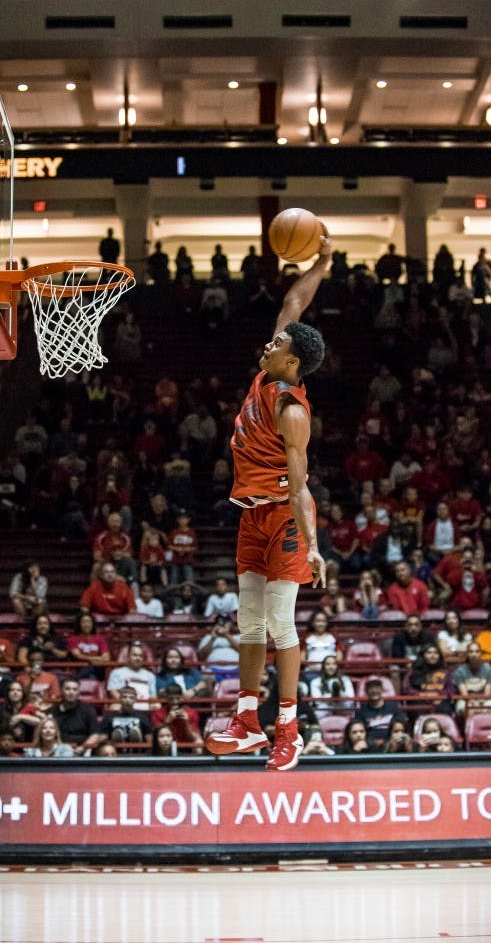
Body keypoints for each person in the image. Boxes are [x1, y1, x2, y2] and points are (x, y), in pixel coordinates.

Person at [199, 236, 331, 766]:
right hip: (251, 515)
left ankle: (289, 730)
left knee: (281, 624)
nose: (268, 345)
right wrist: (322, 262)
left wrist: (315, 548)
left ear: (292, 361)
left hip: (286, 518)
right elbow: (295, 304)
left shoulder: (292, 411)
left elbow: (301, 487)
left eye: (277, 346)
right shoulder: (272, 367)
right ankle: (247, 720)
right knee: (248, 623)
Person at [49, 677, 101, 755]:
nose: (71, 692)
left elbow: (95, 734)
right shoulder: (52, 711)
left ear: (79, 692)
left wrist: (83, 748)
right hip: (58, 749)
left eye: (74, 689)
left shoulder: (88, 710)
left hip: (83, 750)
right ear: (61, 691)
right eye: (67, 689)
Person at [354, 676, 406, 749]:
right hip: (369, 746)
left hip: (392, 744)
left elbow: (402, 726)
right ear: (366, 691)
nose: (374, 690)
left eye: (377, 687)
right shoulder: (360, 712)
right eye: (370, 688)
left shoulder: (394, 708)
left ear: (382, 689)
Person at [403, 645, 456, 716]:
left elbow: (450, 690)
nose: (432, 655)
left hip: (439, 700)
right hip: (419, 701)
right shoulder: (414, 672)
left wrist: (439, 695)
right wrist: (420, 695)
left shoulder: (446, 672)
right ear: (423, 655)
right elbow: (407, 689)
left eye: (436, 653)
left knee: (446, 709)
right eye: (429, 653)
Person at [150, 682, 203, 752]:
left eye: (178, 698)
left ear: (182, 697)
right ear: (166, 698)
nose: (175, 702)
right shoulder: (158, 713)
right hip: (166, 746)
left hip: (187, 745)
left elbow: (194, 738)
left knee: (198, 742)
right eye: (171, 699)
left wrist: (186, 723)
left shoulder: (192, 712)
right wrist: (167, 722)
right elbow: (156, 738)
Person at [106, 642, 157, 709]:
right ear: (128, 657)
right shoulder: (116, 672)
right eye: (135, 655)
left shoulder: (150, 675)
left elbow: (153, 696)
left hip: (144, 704)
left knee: (157, 706)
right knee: (114, 707)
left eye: (140, 656)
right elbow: (113, 691)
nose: (138, 658)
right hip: (124, 704)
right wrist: (128, 702)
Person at [65, 612, 110, 679]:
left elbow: (106, 658)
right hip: (79, 668)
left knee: (94, 666)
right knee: (91, 666)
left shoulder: (100, 639)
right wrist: (97, 658)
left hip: (97, 671)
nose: (87, 624)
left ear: (92, 624)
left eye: (89, 622)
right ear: (79, 624)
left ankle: (75, 679)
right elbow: (78, 656)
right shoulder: (73, 639)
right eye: (84, 622)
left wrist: (89, 659)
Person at [308, 655, 355, 719]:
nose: (331, 667)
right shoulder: (315, 682)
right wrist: (333, 696)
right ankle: (336, 693)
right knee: (318, 711)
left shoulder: (345, 679)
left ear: (337, 666)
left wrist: (337, 696)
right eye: (327, 664)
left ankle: (337, 692)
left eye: (334, 664)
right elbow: (317, 701)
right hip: (325, 710)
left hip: (342, 708)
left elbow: (351, 697)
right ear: (323, 667)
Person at [452, 641, 491, 716]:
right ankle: (469, 727)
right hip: (466, 700)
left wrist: (480, 702)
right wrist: (473, 702)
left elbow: (487, 693)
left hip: (484, 699)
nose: (474, 654)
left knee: (488, 707)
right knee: (467, 709)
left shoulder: (488, 669)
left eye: (477, 651)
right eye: (471, 652)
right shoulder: (460, 671)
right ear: (467, 654)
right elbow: (464, 694)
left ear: (480, 654)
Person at [300, 609, 342, 679]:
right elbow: (302, 658)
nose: (321, 624)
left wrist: (331, 667)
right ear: (313, 623)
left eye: (323, 621)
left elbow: (339, 657)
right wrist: (311, 666)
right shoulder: (307, 638)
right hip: (312, 672)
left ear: (327, 623)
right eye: (318, 621)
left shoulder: (333, 637)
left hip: (330, 672)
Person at [197, 614, 240, 680]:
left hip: (236, 669)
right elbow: (201, 656)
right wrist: (212, 639)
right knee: (207, 676)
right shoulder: (208, 638)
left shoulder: (237, 637)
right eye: (219, 624)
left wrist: (226, 635)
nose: (222, 625)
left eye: (225, 623)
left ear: (231, 625)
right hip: (213, 669)